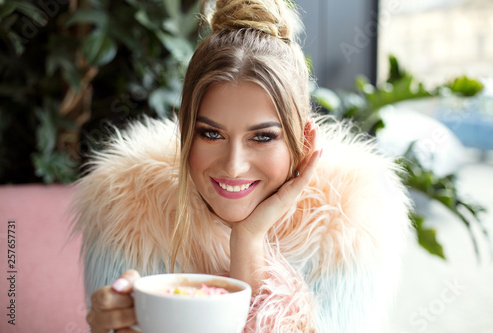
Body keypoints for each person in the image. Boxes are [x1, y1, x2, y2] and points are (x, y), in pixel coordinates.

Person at [71, 0, 411, 332]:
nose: (233, 167)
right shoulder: (127, 211)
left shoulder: (348, 228)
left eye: (262, 137)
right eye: (211, 133)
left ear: (304, 139)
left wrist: (248, 241)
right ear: (186, 130)